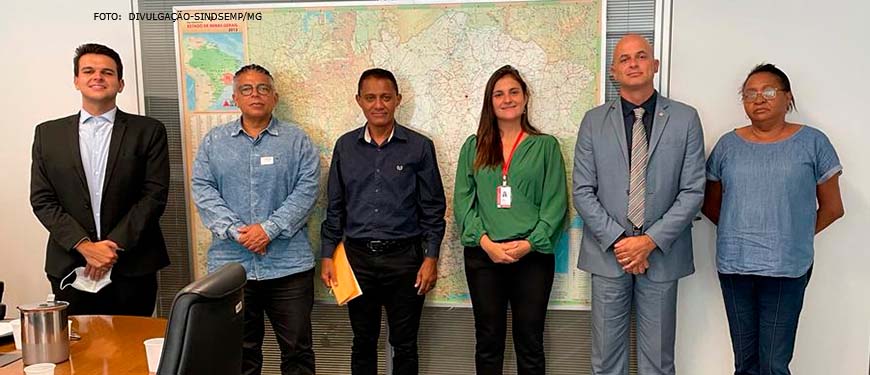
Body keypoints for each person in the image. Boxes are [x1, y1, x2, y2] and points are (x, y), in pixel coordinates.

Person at [572, 34, 705, 374]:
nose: (633, 63)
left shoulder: (685, 119)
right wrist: (622, 244)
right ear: (614, 70)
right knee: (605, 360)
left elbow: (692, 191)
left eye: (641, 56)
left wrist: (647, 243)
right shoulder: (592, 121)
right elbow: (583, 191)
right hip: (608, 255)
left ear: (655, 65)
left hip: (661, 253)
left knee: (658, 361)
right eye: (625, 58)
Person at [702, 63, 844, 375]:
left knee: (773, 364)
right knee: (745, 363)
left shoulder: (812, 142)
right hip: (735, 267)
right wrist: (741, 232)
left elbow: (833, 208)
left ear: (787, 98)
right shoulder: (727, 146)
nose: (759, 99)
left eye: (768, 91)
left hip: (786, 269)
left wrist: (792, 237)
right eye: (750, 93)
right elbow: (711, 206)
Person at [192, 64, 320, 375]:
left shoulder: (296, 140)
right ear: (234, 97)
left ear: (274, 97)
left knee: (297, 352)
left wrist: (268, 230)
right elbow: (202, 188)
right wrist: (239, 233)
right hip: (231, 268)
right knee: (238, 353)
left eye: (263, 88)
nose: (255, 95)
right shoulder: (214, 142)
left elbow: (308, 188)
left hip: (289, 268)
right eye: (246, 89)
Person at [320, 68, 446, 375]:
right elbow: (334, 206)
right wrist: (327, 254)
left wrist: (431, 258)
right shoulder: (345, 147)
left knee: (405, 343)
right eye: (371, 97)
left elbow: (433, 208)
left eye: (386, 97)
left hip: (405, 260)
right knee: (363, 341)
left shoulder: (419, 147)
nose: (379, 104)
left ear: (398, 100)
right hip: (357, 259)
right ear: (359, 101)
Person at [30, 43, 170, 316]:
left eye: (107, 72)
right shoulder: (48, 134)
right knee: (78, 352)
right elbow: (42, 199)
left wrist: (109, 248)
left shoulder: (148, 131)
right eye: (89, 71)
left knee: (131, 351)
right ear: (76, 81)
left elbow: (154, 195)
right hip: (71, 264)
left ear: (120, 83)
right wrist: (85, 247)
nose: (98, 77)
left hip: (133, 266)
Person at [453, 65, 567, 375]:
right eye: (499, 94)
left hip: (532, 257)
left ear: (526, 97)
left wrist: (529, 244)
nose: (507, 99)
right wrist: (486, 243)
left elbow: (555, 204)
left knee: (529, 342)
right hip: (484, 256)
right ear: (489, 102)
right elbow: (464, 203)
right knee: (488, 342)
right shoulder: (473, 146)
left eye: (513, 92)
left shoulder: (546, 147)